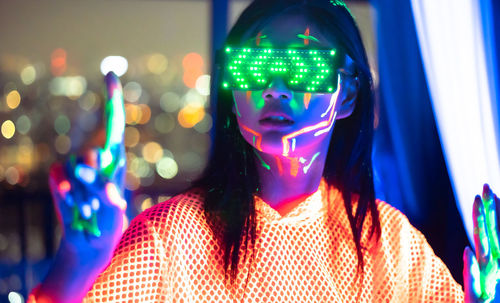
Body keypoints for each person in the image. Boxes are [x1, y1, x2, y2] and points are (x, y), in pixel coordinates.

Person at [27, 0, 499, 302]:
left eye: (306, 66)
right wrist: (79, 261)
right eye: (253, 66)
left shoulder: (387, 244)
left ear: (349, 96)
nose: (275, 87)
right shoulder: (172, 239)